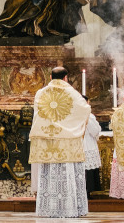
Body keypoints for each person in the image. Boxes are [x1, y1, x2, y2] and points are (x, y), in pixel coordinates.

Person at [29, 66, 91, 218]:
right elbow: (85, 109)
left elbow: (39, 113)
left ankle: (48, 209)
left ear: (50, 77)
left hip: (47, 140)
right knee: (68, 174)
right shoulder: (72, 93)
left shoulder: (40, 93)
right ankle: (70, 208)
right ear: (66, 78)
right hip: (67, 141)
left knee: (49, 175)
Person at [82, 95, 102, 198]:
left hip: (77, 146)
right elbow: (95, 131)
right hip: (87, 144)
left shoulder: (73, 113)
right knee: (87, 170)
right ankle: (88, 192)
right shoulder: (88, 115)